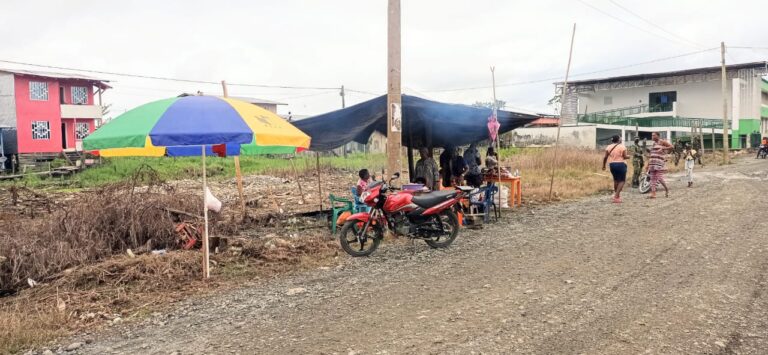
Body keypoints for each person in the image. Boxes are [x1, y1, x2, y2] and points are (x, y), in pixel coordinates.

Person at [602, 135, 629, 203]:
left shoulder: (608, 147)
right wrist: (629, 156)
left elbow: (605, 157)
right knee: (622, 181)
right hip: (621, 164)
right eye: (620, 138)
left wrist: (604, 165)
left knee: (616, 180)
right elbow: (625, 156)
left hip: (612, 165)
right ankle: (616, 196)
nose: (621, 139)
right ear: (618, 140)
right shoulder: (622, 146)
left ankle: (617, 196)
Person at [647, 132, 674, 199]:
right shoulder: (654, 144)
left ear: (658, 136)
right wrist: (648, 164)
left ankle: (666, 189)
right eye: (652, 135)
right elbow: (651, 154)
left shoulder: (662, 141)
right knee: (652, 178)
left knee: (659, 178)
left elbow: (671, 147)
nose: (652, 136)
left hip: (659, 163)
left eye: (654, 135)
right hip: (652, 163)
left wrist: (663, 148)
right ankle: (653, 194)